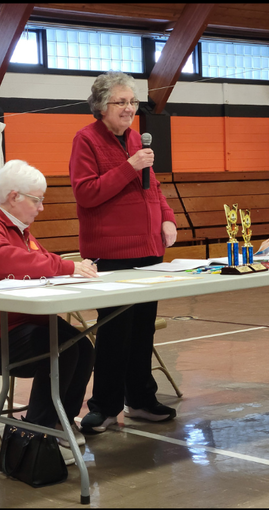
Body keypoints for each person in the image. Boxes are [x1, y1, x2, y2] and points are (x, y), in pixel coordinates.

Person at [0, 159, 98, 443]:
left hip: (20, 324)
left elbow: (41, 261)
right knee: (62, 349)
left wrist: (71, 269)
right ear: (13, 197)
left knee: (81, 345)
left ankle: (61, 420)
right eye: (36, 200)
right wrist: (67, 267)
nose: (41, 208)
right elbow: (12, 260)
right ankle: (37, 431)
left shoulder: (22, 233)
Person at [70, 71, 179, 434]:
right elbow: (86, 193)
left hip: (148, 251)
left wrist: (167, 218)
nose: (130, 108)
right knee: (115, 332)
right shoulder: (86, 140)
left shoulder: (135, 139)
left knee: (143, 331)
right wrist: (129, 167)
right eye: (121, 102)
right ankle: (104, 406)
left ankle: (141, 400)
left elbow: (154, 187)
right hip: (112, 253)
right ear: (101, 106)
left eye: (132, 102)